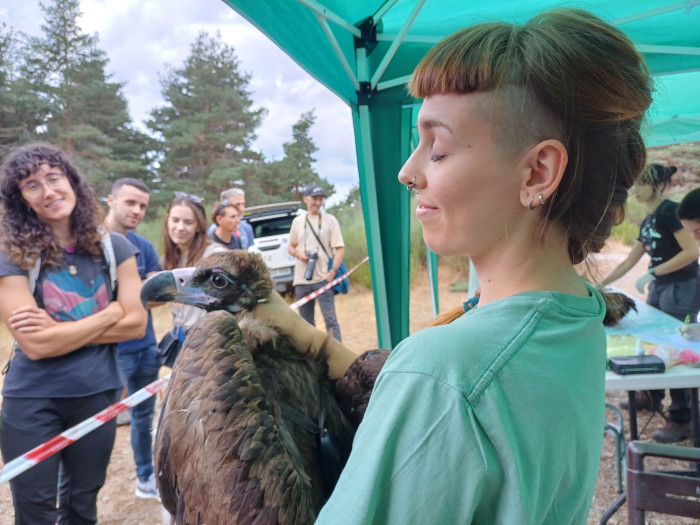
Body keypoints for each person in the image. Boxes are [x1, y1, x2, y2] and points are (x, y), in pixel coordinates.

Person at [253, 8, 652, 523]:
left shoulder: (445, 372)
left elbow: (443, 385)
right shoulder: (578, 313)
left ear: (538, 171)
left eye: (436, 149)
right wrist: (308, 339)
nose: (406, 171)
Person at [0, 143, 147, 524]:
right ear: (21, 200)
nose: (48, 191)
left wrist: (61, 330)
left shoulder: (117, 248)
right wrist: (109, 313)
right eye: (32, 185)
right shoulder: (11, 254)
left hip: (97, 394)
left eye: (53, 178)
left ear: (71, 182)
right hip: (32, 402)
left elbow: (137, 323)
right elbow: (34, 344)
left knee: (83, 504)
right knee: (34, 511)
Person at [602, 163, 700, 443]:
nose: (635, 190)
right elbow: (630, 259)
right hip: (660, 287)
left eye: (641, 184)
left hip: (682, 286)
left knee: (680, 347)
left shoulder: (671, 212)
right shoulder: (648, 220)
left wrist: (653, 272)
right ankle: (652, 394)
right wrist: (602, 284)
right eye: (633, 185)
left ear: (658, 186)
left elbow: (691, 251)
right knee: (653, 339)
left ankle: (683, 418)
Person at [104, 178, 161, 500]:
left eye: (142, 205)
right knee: (94, 426)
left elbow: (158, 294)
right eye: (130, 203)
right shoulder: (91, 245)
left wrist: (122, 300)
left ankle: (145, 478)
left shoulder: (144, 246)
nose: (137, 210)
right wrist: (139, 290)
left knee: (143, 418)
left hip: (146, 347)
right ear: (110, 200)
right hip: (107, 354)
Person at [161, 192, 227, 349]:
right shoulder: (167, 260)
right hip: (180, 334)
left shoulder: (215, 255)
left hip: (209, 338)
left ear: (198, 225)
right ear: (167, 220)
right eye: (175, 220)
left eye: (188, 222)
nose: (180, 228)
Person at [288, 185, 344, 341]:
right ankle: (312, 359)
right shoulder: (298, 221)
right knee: (306, 324)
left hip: (323, 279)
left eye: (320, 199)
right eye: (314, 198)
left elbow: (339, 248)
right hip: (301, 280)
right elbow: (290, 247)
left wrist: (333, 271)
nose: (318, 202)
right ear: (305, 199)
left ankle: (338, 356)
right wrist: (299, 253)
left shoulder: (330, 220)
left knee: (331, 321)